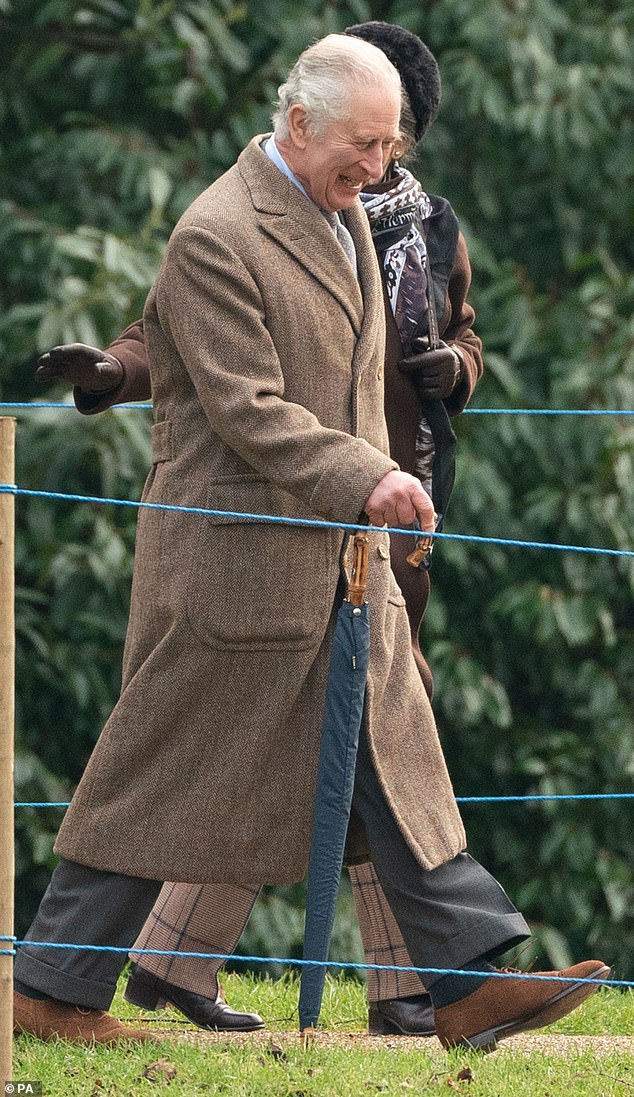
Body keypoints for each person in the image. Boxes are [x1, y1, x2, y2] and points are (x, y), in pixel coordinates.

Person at [15, 33, 608, 1052]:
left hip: (341, 557)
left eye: (389, 146)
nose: (378, 168)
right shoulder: (216, 233)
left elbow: (361, 381)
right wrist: (368, 476)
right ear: (297, 123)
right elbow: (248, 407)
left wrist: (387, 493)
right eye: (362, 145)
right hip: (233, 563)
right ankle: (50, 988)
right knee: (161, 763)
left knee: (396, 752)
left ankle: (465, 984)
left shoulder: (345, 219)